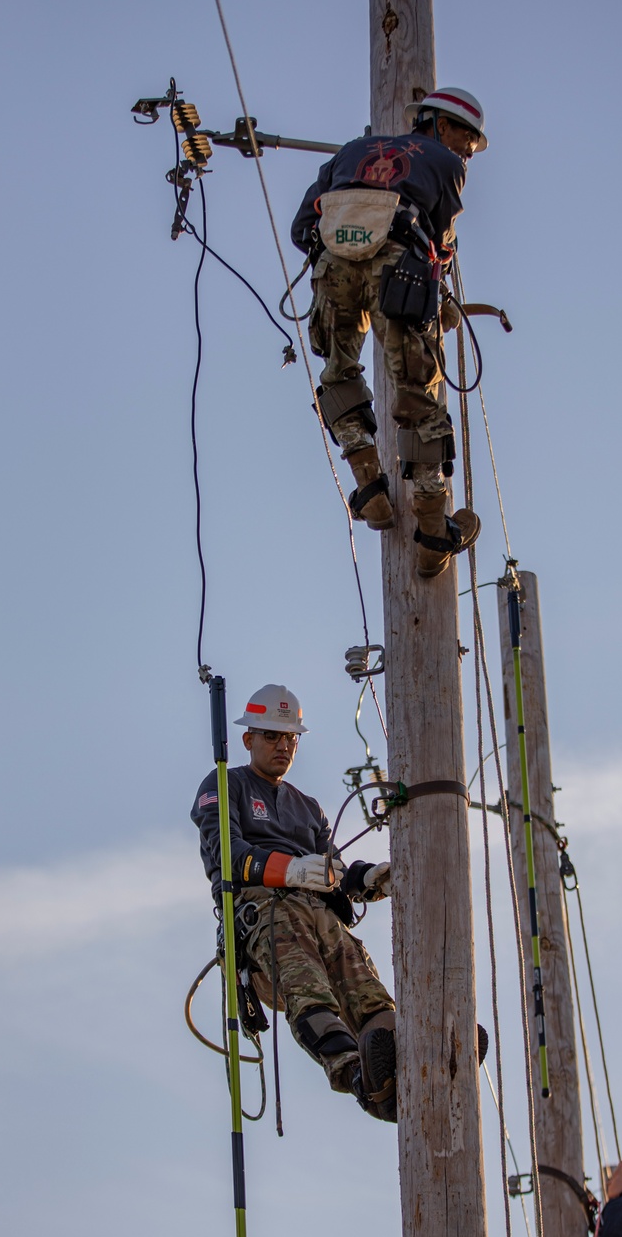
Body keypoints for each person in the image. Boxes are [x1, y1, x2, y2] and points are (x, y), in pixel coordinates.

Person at [291, 87, 487, 578]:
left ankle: (371, 488)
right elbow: (440, 241)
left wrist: (340, 251)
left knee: (338, 372)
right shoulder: (444, 161)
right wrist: (432, 294)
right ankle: (431, 529)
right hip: (399, 266)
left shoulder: (350, 152)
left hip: (332, 265)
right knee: (418, 395)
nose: (468, 149)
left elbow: (302, 226)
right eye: (467, 137)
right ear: (440, 124)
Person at [190, 683, 399, 1121]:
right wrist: (288, 869)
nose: (283, 746)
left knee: (365, 987)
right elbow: (226, 855)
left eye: (291, 738)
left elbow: (336, 875)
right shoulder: (226, 784)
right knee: (309, 987)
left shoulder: (308, 808)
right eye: (272, 736)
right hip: (267, 913)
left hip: (318, 914)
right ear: (249, 740)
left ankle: (407, 1053)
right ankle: (355, 1073)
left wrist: (371, 878)